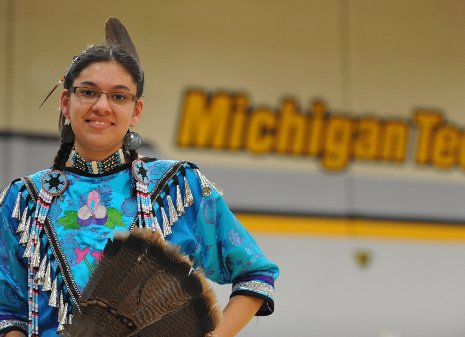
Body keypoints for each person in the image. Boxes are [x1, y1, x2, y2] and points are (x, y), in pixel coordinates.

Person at [0, 18, 278, 337]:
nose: (102, 105)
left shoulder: (177, 186)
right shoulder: (23, 201)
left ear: (136, 111)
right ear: (66, 102)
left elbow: (255, 273)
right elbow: (7, 310)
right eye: (88, 92)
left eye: (119, 96)